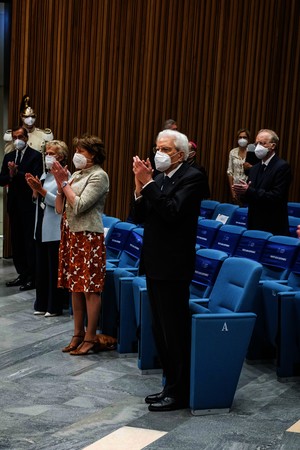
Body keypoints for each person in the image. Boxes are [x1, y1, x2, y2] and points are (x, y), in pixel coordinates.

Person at [132, 129, 207, 412]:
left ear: (180, 152)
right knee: (159, 330)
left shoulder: (193, 177)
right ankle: (169, 386)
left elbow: (172, 212)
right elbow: (139, 216)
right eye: (156, 147)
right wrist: (140, 185)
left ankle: (179, 392)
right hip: (154, 262)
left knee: (174, 331)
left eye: (165, 148)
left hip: (174, 266)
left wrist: (148, 181)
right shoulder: (161, 178)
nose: (159, 152)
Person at [52, 134, 109, 355]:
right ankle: (77, 333)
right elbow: (60, 207)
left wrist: (64, 183)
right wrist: (59, 185)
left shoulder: (99, 176)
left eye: (81, 151)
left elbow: (80, 205)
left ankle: (91, 336)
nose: (76, 155)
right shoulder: (76, 174)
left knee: (90, 289)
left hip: (89, 237)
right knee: (75, 287)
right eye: (75, 150)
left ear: (93, 155)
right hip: (72, 234)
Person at [25, 140, 70, 317]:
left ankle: (54, 306)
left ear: (61, 156)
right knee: (41, 269)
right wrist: (35, 191)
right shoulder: (45, 176)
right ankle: (41, 304)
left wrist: (42, 192)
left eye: (52, 153)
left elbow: (61, 203)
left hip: (55, 229)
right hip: (40, 227)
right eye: (47, 153)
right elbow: (38, 202)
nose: (48, 157)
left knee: (53, 270)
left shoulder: (66, 175)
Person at [0, 126, 43, 289]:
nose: (17, 140)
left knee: (28, 241)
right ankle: (22, 273)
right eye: (15, 137)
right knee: (16, 241)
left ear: (26, 138)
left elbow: (34, 178)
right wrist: (10, 175)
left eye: (20, 137)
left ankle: (32, 276)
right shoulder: (9, 156)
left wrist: (16, 173)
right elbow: (2, 178)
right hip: (14, 204)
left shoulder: (36, 156)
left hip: (29, 204)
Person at [233, 129, 292, 235]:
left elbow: (276, 196)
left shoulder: (282, 167)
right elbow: (249, 195)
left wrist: (249, 191)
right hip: (254, 225)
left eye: (262, 143)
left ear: (273, 146)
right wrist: (241, 192)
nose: (258, 147)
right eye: (256, 143)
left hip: (272, 227)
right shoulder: (254, 168)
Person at [227, 128, 259, 203]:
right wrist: (232, 192)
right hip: (236, 188)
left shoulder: (253, 152)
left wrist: (250, 168)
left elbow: (258, 170)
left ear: (248, 139)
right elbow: (230, 172)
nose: (242, 139)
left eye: (244, 137)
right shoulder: (233, 152)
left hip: (248, 188)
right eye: (240, 137)